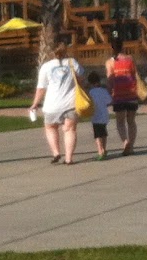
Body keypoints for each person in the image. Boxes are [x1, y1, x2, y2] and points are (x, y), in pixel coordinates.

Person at [28, 35, 85, 165]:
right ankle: (69, 158)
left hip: (52, 105)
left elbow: (41, 88)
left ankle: (56, 152)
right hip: (70, 103)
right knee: (70, 130)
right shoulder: (72, 63)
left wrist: (35, 103)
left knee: (50, 127)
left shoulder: (46, 67)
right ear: (66, 50)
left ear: (52, 52)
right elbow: (81, 79)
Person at [105, 37, 140, 156]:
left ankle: (125, 142)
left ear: (112, 48)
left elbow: (110, 80)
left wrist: (108, 94)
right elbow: (135, 74)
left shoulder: (110, 62)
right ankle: (132, 146)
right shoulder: (130, 59)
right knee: (131, 121)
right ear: (122, 47)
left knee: (120, 121)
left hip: (119, 95)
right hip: (131, 94)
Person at [86, 71, 113, 161]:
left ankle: (100, 151)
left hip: (95, 116)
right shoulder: (104, 91)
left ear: (90, 83)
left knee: (97, 135)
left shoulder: (91, 92)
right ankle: (104, 149)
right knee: (104, 133)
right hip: (104, 115)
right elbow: (109, 101)